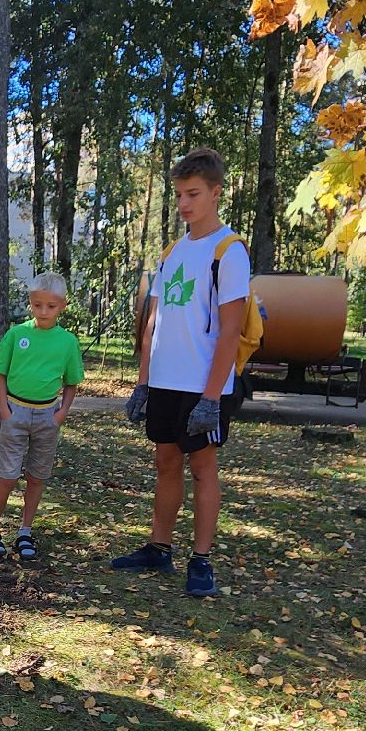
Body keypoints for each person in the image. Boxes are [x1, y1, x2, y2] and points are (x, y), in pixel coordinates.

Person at [110, 147, 250, 598]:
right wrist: (143, 382)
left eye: (193, 194)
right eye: (179, 195)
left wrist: (212, 397)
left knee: (203, 468)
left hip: (203, 386)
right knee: (165, 462)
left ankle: (202, 560)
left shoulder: (229, 251)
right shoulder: (171, 251)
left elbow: (231, 329)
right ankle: (159, 546)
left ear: (215, 193)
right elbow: (153, 322)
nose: (185, 203)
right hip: (166, 382)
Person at [0, 272, 84, 563]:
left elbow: (72, 381)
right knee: (8, 475)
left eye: (51, 306)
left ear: (62, 306)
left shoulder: (67, 342)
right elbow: (0, 373)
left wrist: (61, 413)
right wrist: (4, 409)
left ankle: (25, 531)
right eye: (38, 304)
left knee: (36, 476)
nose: (43, 311)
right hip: (15, 411)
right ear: (30, 303)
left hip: (47, 416)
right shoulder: (17, 335)